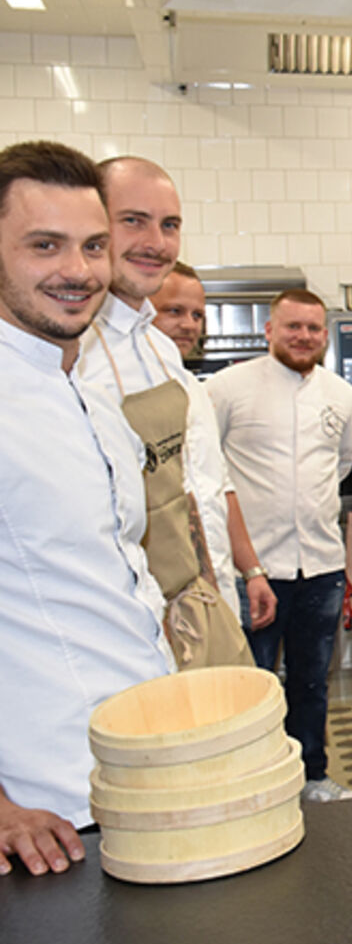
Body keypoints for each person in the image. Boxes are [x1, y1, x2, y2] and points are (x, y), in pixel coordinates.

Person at [0, 140, 175, 877]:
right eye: (45, 246)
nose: (76, 271)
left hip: (145, 778)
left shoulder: (96, 398)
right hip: (51, 814)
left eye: (93, 246)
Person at [78, 156, 269, 667]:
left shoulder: (159, 352)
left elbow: (194, 492)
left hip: (195, 604)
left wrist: (227, 582)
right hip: (124, 624)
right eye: (133, 220)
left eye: (170, 225)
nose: (156, 242)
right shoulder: (74, 351)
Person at [207, 289, 352, 804]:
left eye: (314, 329)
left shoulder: (339, 394)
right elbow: (210, 474)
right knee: (252, 687)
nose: (304, 337)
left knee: (312, 683)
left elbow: (340, 466)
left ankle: (311, 777)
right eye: (293, 327)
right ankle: (254, 788)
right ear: (269, 330)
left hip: (320, 565)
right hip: (252, 569)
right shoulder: (228, 388)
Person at [150, 260, 206, 360]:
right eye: (175, 311)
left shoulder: (181, 374)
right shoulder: (119, 371)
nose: (190, 325)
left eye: (197, 315)